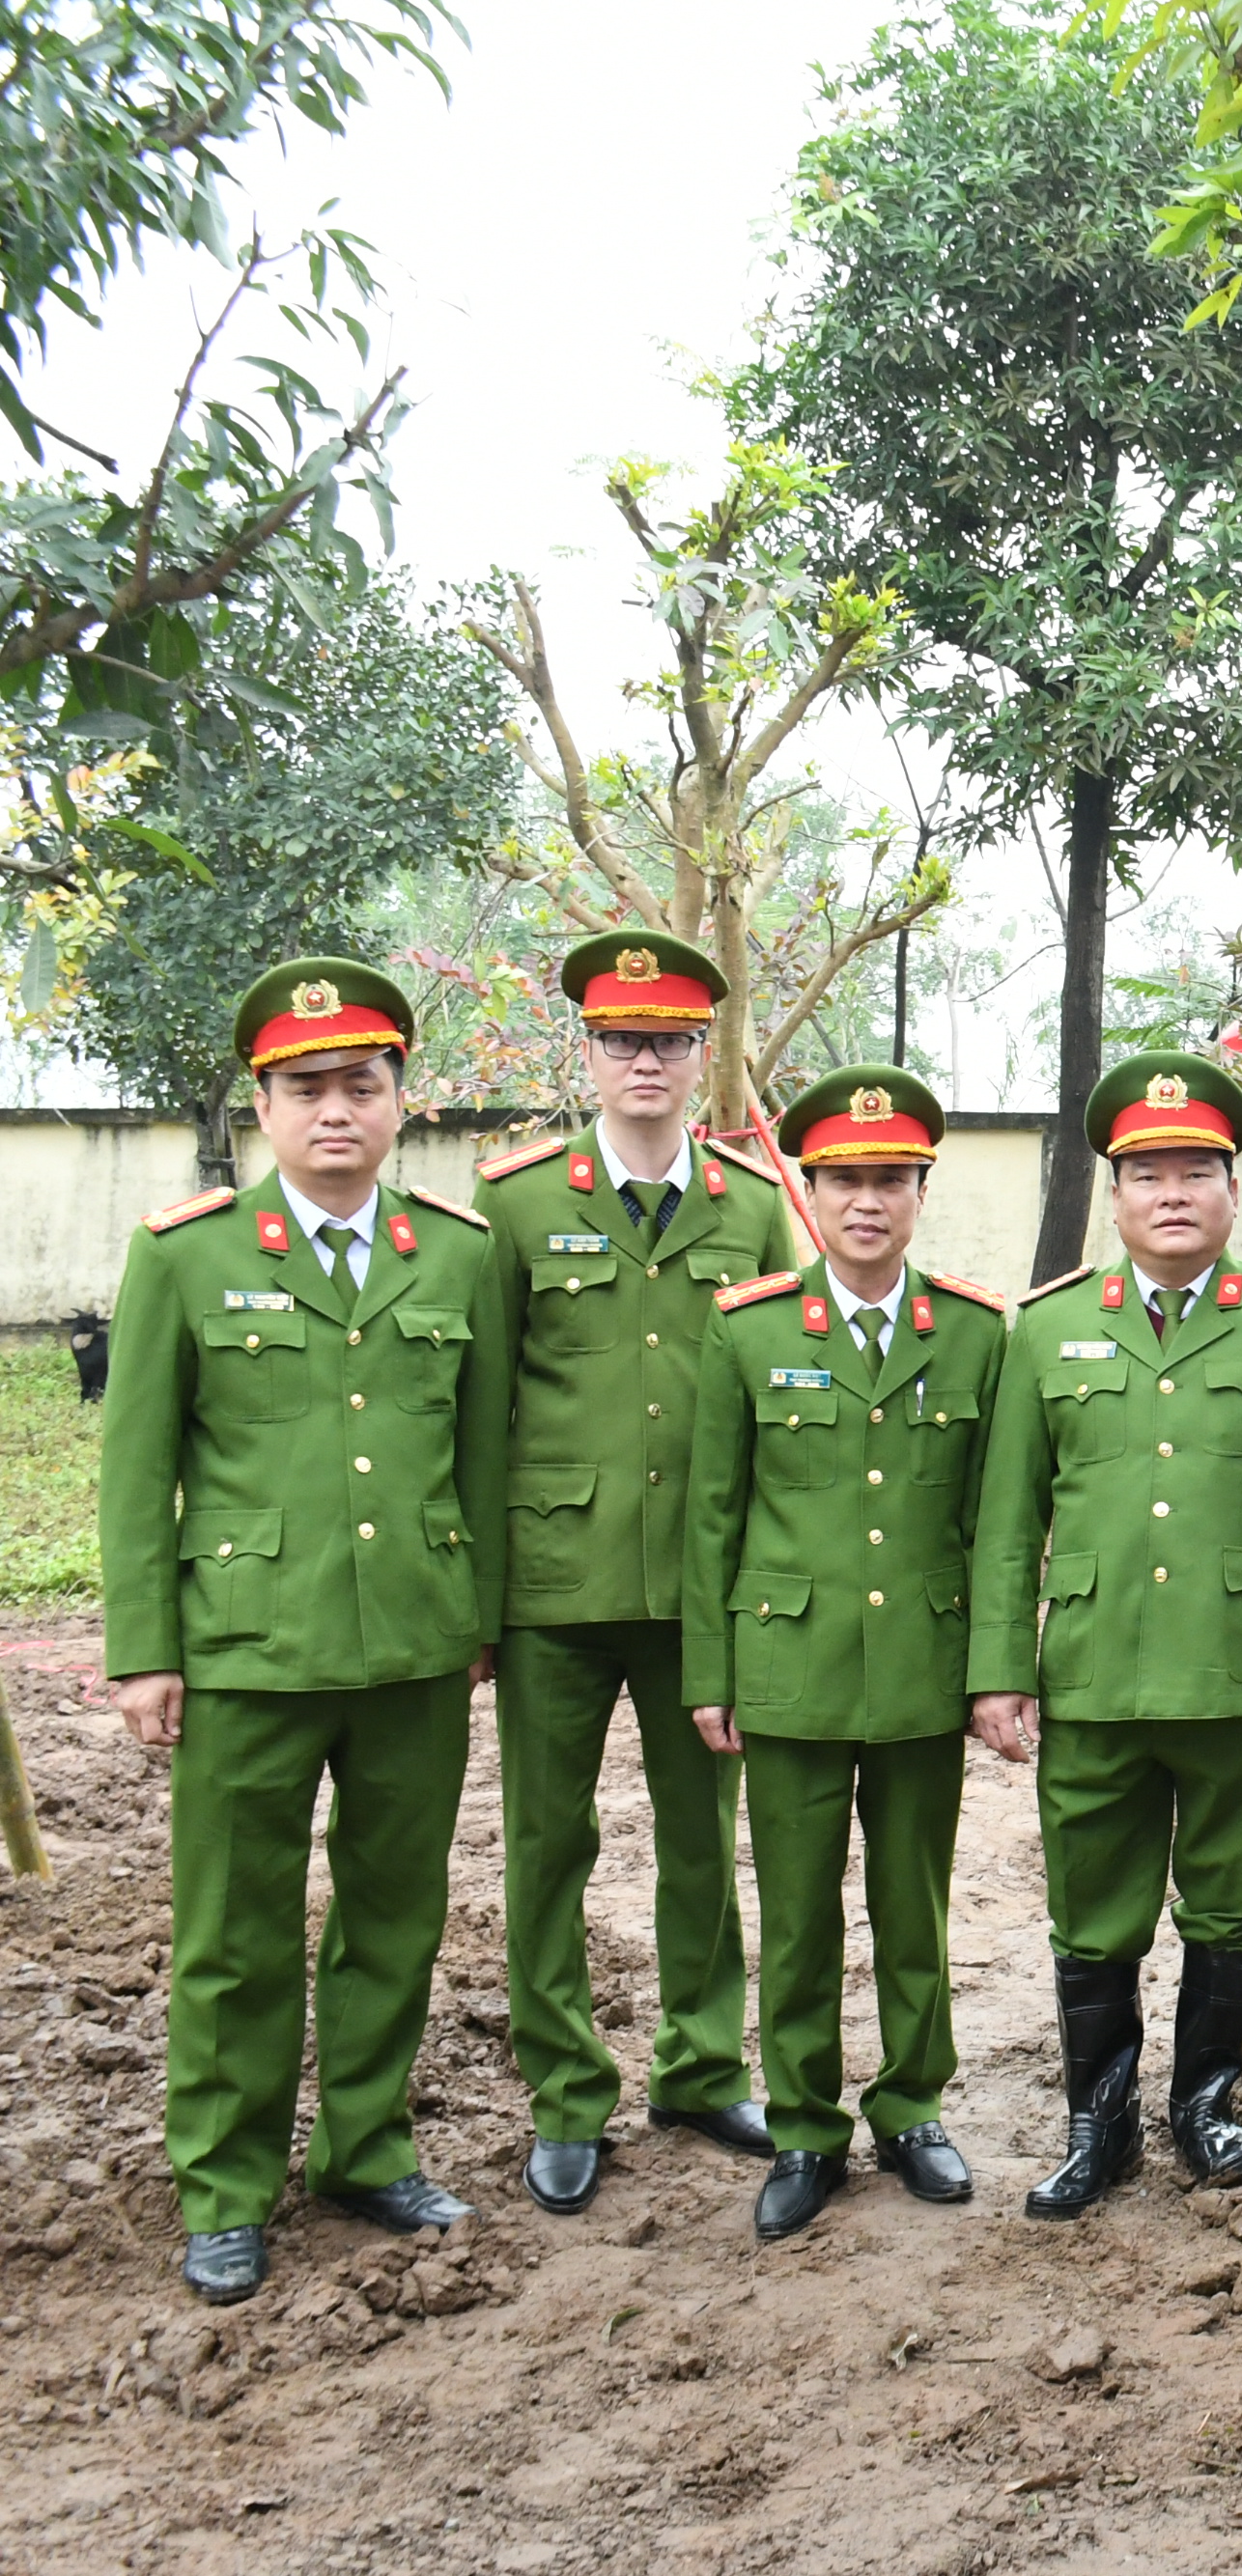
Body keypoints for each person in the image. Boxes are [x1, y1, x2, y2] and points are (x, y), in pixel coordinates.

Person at [100, 960, 509, 2302]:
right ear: (263, 1107)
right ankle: (226, 2189)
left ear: (400, 1101)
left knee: (395, 1915)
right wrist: (144, 1650)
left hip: (415, 1649)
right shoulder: (188, 1254)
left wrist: (481, 1622)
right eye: (306, 1088)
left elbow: (480, 1455)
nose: (336, 1110)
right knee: (236, 1931)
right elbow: (136, 1466)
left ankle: (367, 2151)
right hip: (247, 1649)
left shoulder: (457, 1254)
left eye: (361, 1085)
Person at [969, 1050, 1242, 2219]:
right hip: (1093, 1671)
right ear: (1116, 1196)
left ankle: (1204, 2106)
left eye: (1197, 1171)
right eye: (1148, 1175)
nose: (1174, 1193)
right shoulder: (1045, 1329)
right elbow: (1008, 1521)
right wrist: (998, 1668)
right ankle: (1098, 2129)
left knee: (1235, 1903)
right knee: (1092, 1907)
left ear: (1234, 1190)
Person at [471, 932, 799, 2213]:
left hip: (698, 1594)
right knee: (548, 1843)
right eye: (622, 1040)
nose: (644, 1061)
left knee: (703, 1840)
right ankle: (565, 2093)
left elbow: (773, 1406)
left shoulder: (752, 1207)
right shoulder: (517, 1205)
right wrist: (483, 1602)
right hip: (553, 1584)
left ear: (700, 1055)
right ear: (590, 1054)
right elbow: (483, 1410)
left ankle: (702, 2067)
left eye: (666, 1041)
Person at [683, 1068, 1009, 2241]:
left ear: (921, 1192)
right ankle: (807, 2127)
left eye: (890, 1180)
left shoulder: (975, 1333)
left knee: (914, 1910)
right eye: (843, 1181)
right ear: (810, 1194)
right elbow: (712, 1516)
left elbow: (995, 1524)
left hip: (921, 1666)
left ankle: (913, 2107)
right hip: (791, 1671)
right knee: (797, 1916)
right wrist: (711, 1675)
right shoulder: (750, 1328)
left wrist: (992, 1670)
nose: (867, 1202)